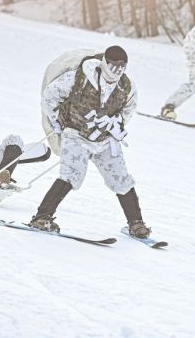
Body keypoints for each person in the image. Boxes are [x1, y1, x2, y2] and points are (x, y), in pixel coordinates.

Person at [30, 45, 152, 238]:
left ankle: (136, 224)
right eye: (114, 66)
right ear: (105, 63)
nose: (118, 71)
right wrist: (55, 122)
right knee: (71, 175)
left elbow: (129, 109)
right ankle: (42, 217)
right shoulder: (80, 77)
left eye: (122, 67)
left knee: (121, 179)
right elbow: (50, 96)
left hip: (105, 140)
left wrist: (116, 123)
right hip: (76, 134)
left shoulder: (127, 86)